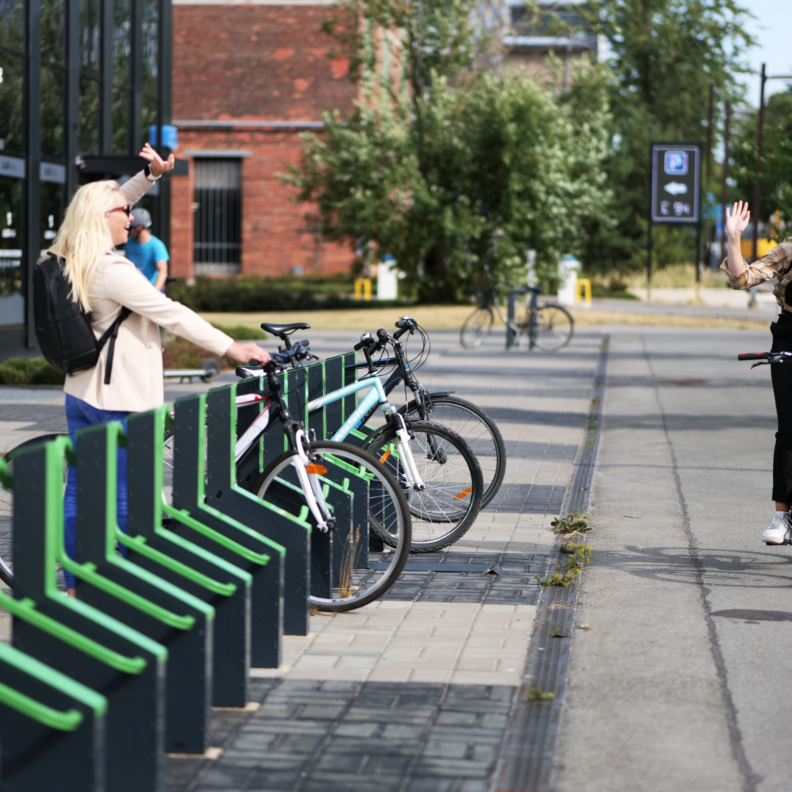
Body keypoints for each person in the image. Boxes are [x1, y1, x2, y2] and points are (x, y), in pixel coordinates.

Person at [48, 142, 270, 596]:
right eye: (123, 213)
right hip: (119, 399)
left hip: (82, 391)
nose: (130, 218)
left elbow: (110, 202)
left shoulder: (72, 252)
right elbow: (172, 313)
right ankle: (129, 590)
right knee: (128, 498)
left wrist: (149, 177)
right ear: (102, 218)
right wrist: (231, 347)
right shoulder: (112, 270)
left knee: (81, 493)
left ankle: (75, 586)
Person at [722, 200, 792, 544]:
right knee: (790, 429)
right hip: (790, 337)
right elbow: (742, 278)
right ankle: (782, 517)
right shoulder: (790, 249)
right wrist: (734, 239)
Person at [125, 208, 169, 291]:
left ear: (139, 227)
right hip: (133, 289)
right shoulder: (129, 242)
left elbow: (162, 271)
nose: (128, 232)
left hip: (150, 288)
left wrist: (155, 292)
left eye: (130, 228)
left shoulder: (157, 245)